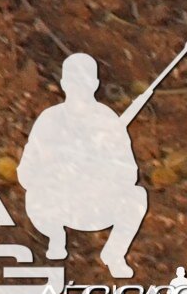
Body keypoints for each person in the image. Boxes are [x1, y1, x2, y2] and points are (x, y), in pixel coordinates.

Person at [20, 54, 154, 278]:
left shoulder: (107, 120)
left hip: (95, 203)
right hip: (57, 202)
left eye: (83, 81)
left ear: (94, 84)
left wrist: (101, 166)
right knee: (36, 194)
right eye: (73, 81)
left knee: (137, 196)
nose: (78, 88)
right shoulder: (49, 119)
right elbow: (27, 171)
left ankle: (114, 254)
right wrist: (58, 168)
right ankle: (55, 237)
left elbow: (129, 173)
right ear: (63, 84)